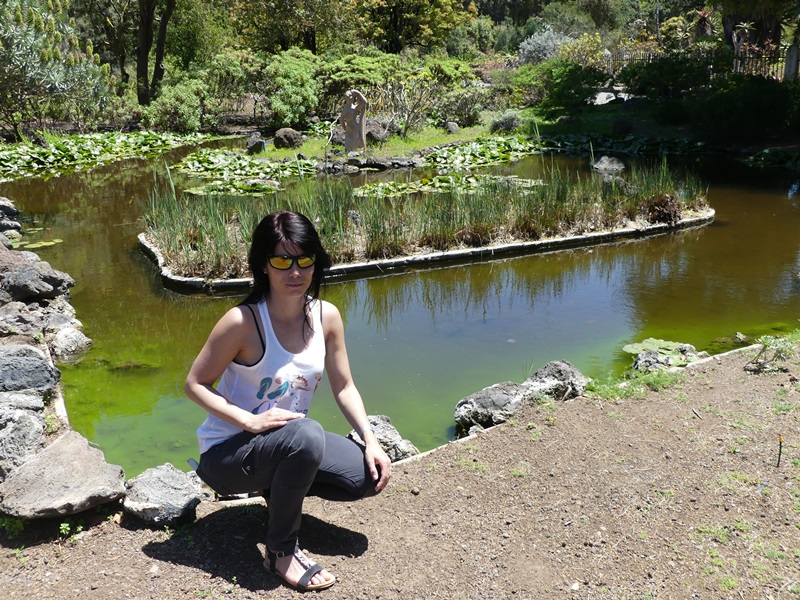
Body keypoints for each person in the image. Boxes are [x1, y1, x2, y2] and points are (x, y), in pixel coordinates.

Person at [185, 210, 391, 592]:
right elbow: (194, 384)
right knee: (307, 434)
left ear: (316, 262)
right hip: (227, 455)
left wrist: (371, 439)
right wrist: (248, 421)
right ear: (264, 265)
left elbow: (344, 385)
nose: (294, 272)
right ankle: (281, 551)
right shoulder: (242, 322)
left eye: (304, 260)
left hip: (286, 441)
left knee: (366, 477)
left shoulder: (326, 316)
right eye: (281, 261)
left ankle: (277, 491)